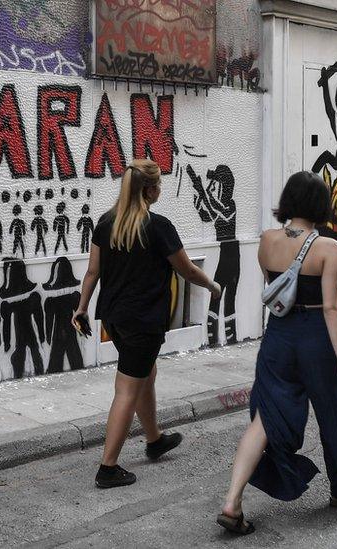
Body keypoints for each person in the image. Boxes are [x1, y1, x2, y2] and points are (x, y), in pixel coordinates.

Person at [216, 171, 337, 535]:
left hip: (279, 337)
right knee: (331, 415)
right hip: (316, 338)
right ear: (321, 206)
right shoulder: (327, 248)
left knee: (266, 419)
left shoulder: (267, 240)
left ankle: (232, 501)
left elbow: (278, 290)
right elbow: (333, 308)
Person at [73, 158, 222, 489]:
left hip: (114, 318)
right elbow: (187, 270)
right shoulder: (158, 227)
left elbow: (92, 272)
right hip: (143, 322)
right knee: (127, 388)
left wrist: (81, 308)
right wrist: (212, 286)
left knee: (145, 373)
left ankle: (154, 439)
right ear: (150, 190)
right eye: (159, 185)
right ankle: (108, 467)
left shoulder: (105, 223)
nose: (160, 190)